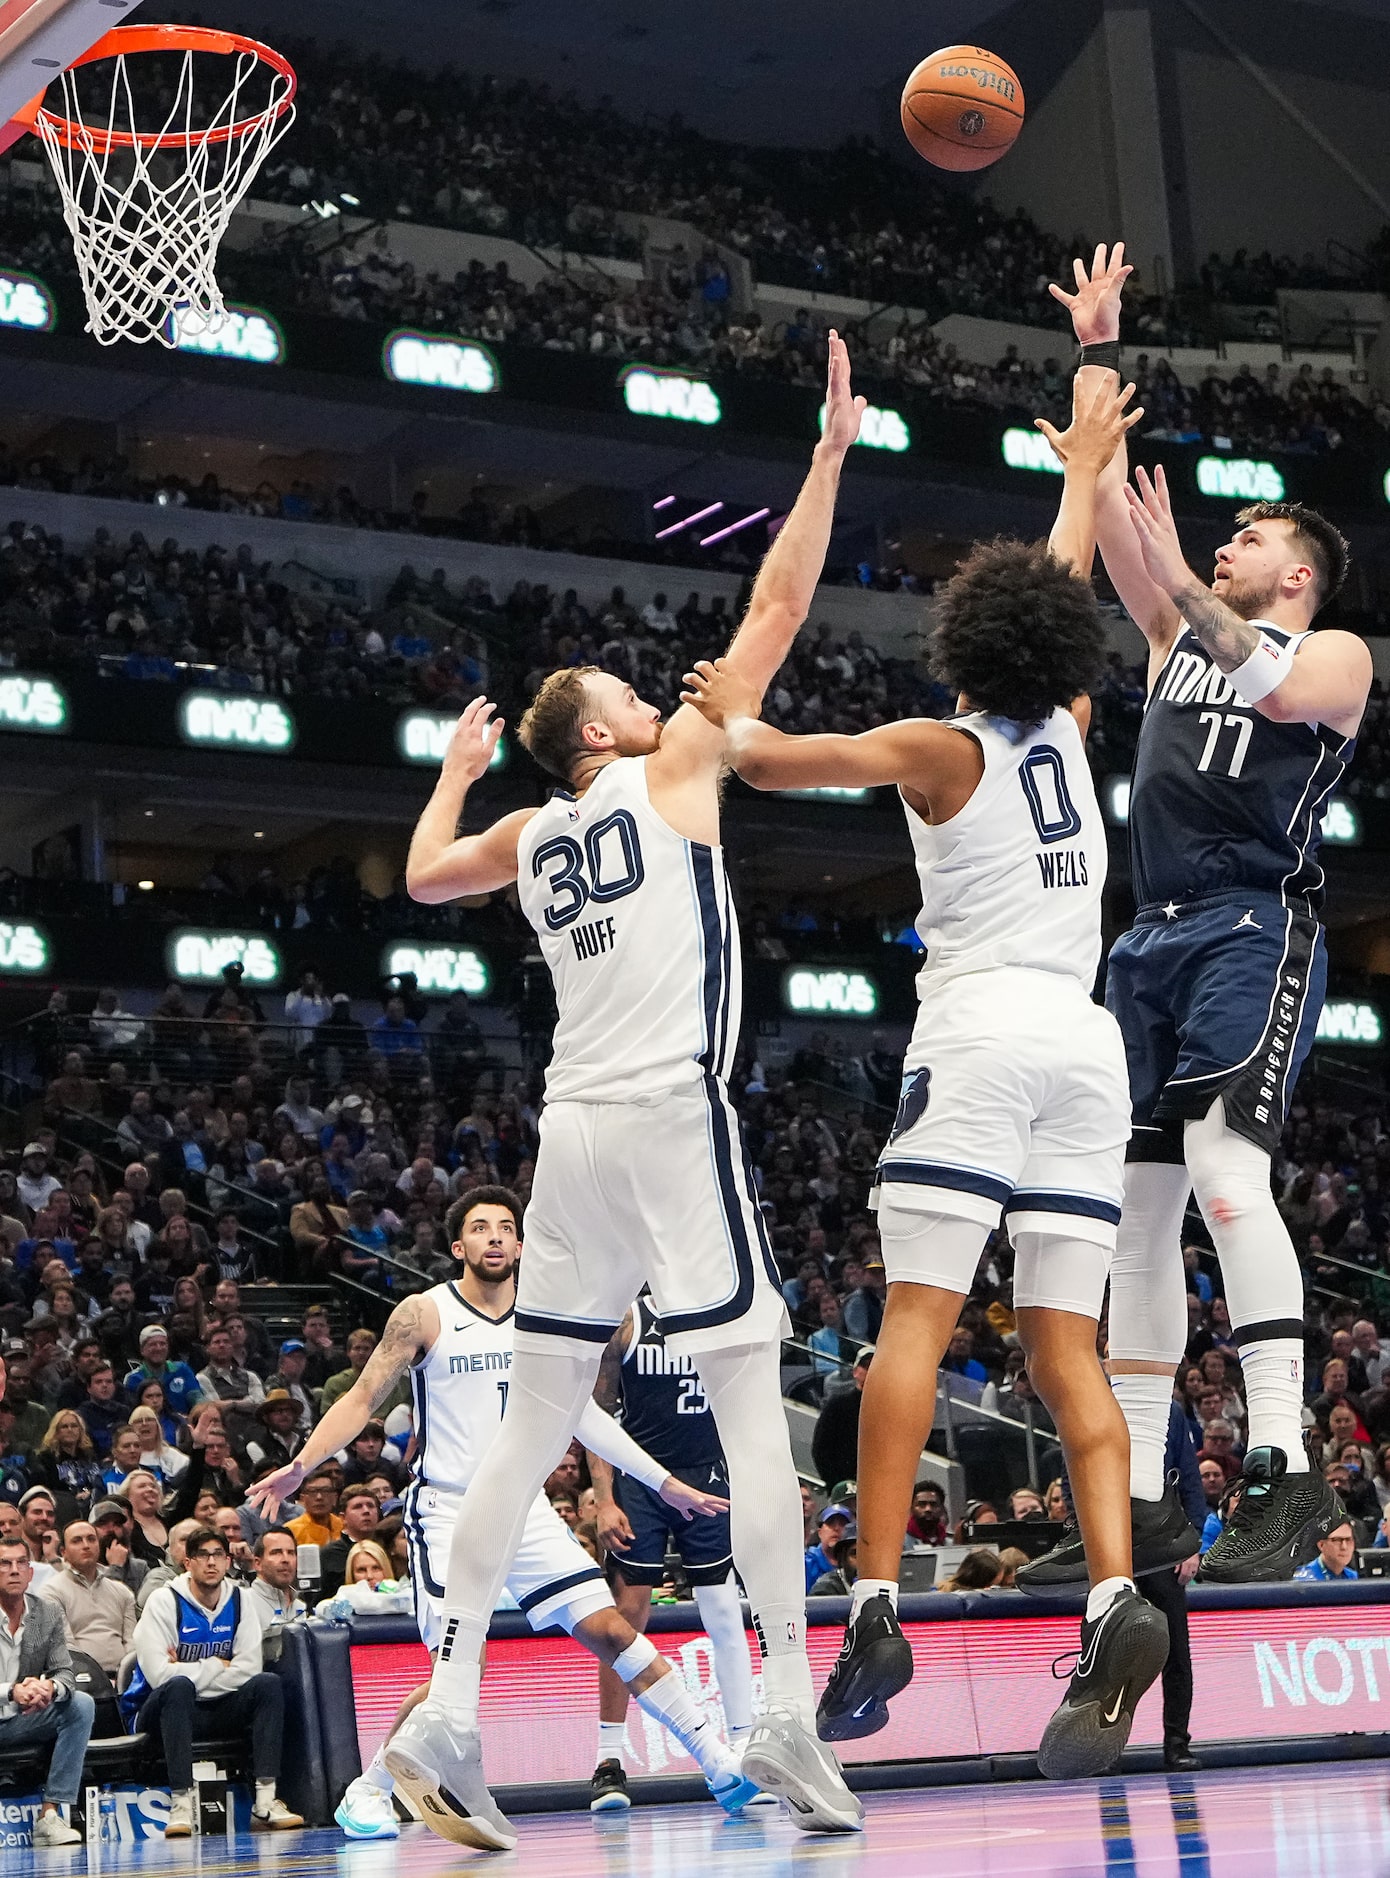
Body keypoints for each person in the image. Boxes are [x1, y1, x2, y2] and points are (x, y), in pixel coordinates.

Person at [386, 335, 870, 1843]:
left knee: (533, 1427)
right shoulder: (673, 776)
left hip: (567, 1135)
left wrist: (461, 768)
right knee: (748, 1392)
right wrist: (828, 454)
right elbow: (777, 601)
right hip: (667, 1110)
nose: (642, 685)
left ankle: (450, 1712)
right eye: (614, 683)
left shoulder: (534, 832)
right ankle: (785, 1709)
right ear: (602, 729)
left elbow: (417, 876)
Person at [683, 366, 1172, 1778]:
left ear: (964, 645)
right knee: (1061, 1348)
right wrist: (1079, 471)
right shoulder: (1073, 734)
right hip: (1089, 1046)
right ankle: (1108, 1591)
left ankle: (881, 1603)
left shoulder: (935, 745)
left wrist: (727, 709)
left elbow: (775, 763)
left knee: (913, 1320)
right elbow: (1061, 582)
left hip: (977, 1029)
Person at [1054, 244, 1369, 1583]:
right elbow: (1110, 522)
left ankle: (1286, 1463)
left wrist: (1181, 564)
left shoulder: (1339, 655)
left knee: (1227, 1173)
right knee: (1129, 1201)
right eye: (1224, 536)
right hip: (1148, 934)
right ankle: (1134, 1499)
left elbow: (1251, 664)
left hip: (1251, 923)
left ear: (1295, 576)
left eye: (1254, 537)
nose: (1227, 544)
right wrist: (1101, 348)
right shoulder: (1179, 637)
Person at [250, 1187, 762, 1846]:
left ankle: (719, 1764)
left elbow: (584, 1416)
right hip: (449, 1511)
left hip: (525, 1509)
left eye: (506, 1227)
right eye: (480, 1228)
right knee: (460, 1672)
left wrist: (663, 1483)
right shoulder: (422, 1314)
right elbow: (362, 1398)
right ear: (458, 1246)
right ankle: (368, 1791)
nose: (495, 1237)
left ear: (520, 1245)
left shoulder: (547, 1323)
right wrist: (304, 1462)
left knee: (612, 1629)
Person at [585, 1293, 773, 1813]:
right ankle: (608, 1760)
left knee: (723, 1612)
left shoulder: (721, 1308)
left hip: (707, 1473)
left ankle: (741, 1750)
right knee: (625, 1616)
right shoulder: (627, 1317)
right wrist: (603, 1499)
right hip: (641, 1478)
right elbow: (595, 1412)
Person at [126, 1525, 303, 1835]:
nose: (211, 1562)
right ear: (188, 1563)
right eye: (202, 1555)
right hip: (158, 1712)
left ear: (227, 1561)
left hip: (217, 1708)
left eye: (218, 1555)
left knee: (267, 1684)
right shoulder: (163, 1601)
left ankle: (265, 1801)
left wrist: (189, 1667)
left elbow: (248, 1668)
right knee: (178, 1688)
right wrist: (219, 1665)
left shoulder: (240, 1599)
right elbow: (159, 1676)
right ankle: (180, 1805)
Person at [0, 1534, 95, 1844]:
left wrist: (49, 1688)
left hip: (20, 1720)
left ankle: (49, 1814)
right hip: (7, 1703)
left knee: (80, 1704)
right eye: (4, 1563)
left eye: (21, 1563)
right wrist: (10, 1691)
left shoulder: (47, 1612)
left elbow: (65, 1670)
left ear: (31, 1572)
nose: (14, 1570)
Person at [40, 1518, 135, 1674]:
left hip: (124, 1678)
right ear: (64, 1552)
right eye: (77, 1541)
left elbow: (132, 1643)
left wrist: (126, 1676)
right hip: (81, 1679)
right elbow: (65, 1647)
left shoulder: (122, 1592)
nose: (86, 1545)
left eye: (91, 1539)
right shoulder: (51, 1592)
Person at [245, 1529, 305, 1659]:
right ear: (257, 1563)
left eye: (291, 1553)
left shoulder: (301, 1607)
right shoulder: (243, 1603)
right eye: (276, 1552)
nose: (285, 1559)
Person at [1293, 1518, 1359, 1581]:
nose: (1344, 1547)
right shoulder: (1304, 1580)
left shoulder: (1353, 1576)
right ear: (1321, 1545)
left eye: (1348, 1540)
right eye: (1337, 1540)